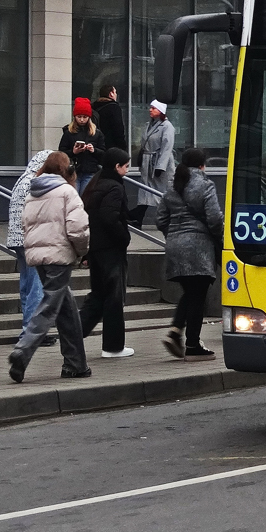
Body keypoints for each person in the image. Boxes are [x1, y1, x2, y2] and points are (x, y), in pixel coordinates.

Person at [8, 152, 91, 383]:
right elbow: (78, 228)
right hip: (59, 256)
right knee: (49, 307)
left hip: (38, 257)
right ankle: (23, 350)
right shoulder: (67, 192)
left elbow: (25, 223)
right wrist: (82, 251)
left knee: (67, 310)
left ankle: (76, 364)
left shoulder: (34, 192)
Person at [156, 148, 221, 361]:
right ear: (202, 165)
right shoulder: (205, 185)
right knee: (198, 296)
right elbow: (214, 218)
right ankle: (193, 345)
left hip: (175, 247)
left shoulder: (173, 187)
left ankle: (176, 331)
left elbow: (160, 220)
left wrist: (175, 235)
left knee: (191, 293)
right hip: (198, 248)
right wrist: (216, 237)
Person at [79, 147, 134, 358]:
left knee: (98, 296)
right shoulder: (115, 187)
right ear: (116, 166)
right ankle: (113, 346)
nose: (127, 170)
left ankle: (74, 334)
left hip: (95, 248)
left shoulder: (95, 185)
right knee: (113, 298)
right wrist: (124, 237)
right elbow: (109, 217)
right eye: (126, 166)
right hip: (111, 249)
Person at [6, 150, 52, 346]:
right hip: (32, 240)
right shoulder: (36, 182)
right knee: (36, 287)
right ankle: (33, 333)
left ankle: (28, 329)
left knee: (27, 285)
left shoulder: (22, 180)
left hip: (18, 239)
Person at [131, 99, 176, 228]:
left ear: (161, 111)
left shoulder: (167, 126)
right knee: (145, 189)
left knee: (161, 191)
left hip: (159, 164)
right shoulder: (148, 125)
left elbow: (167, 147)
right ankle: (138, 217)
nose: (150, 110)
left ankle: (170, 218)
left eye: (154, 108)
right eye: (150, 107)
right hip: (147, 163)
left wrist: (160, 166)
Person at [59, 98, 106, 194]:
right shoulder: (68, 133)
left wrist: (93, 150)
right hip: (73, 171)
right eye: (79, 116)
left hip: (90, 171)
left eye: (84, 117)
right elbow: (61, 152)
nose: (81, 120)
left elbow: (103, 153)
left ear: (89, 117)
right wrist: (73, 152)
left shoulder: (96, 133)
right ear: (75, 117)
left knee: (85, 197)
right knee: (73, 197)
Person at [93, 84, 127, 152]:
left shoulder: (94, 107)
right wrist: (122, 146)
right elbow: (118, 128)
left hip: (97, 145)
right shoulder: (114, 107)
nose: (116, 94)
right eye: (115, 92)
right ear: (111, 94)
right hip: (111, 145)